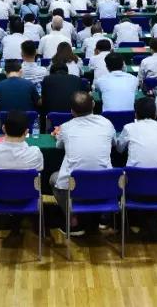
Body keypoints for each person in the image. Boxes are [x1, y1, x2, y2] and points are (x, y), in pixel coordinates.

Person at [50, 91, 116, 236]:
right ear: (93, 104)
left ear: (72, 111)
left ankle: (73, 220)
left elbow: (59, 145)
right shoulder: (107, 123)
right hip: (103, 183)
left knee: (54, 178)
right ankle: (104, 216)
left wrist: (57, 134)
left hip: (76, 184)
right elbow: (114, 143)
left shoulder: (66, 128)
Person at [114, 97, 157, 240]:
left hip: (133, 189)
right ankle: (151, 225)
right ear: (155, 114)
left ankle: (144, 225)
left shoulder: (129, 128)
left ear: (136, 114)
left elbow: (119, 149)